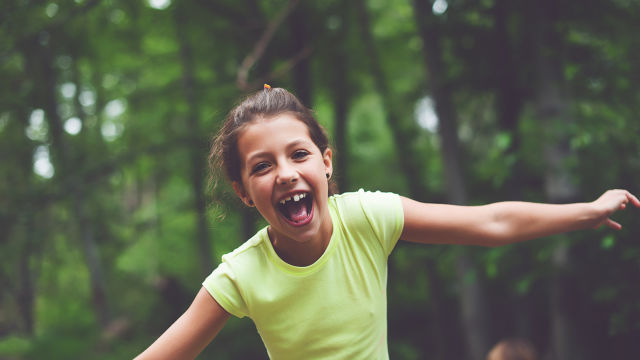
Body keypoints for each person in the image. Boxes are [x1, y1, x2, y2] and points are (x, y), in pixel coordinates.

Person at [135, 86, 639, 360]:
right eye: (263, 167)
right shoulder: (240, 275)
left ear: (326, 163)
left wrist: (586, 211)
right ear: (245, 193)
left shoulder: (367, 217)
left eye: (298, 154)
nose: (286, 174)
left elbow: (492, 222)